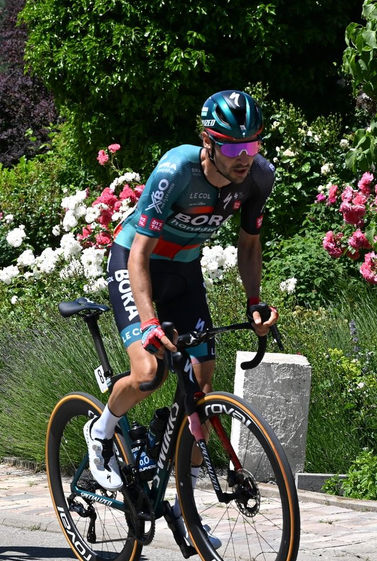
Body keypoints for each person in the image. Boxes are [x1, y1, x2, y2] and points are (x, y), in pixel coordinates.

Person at [85, 89, 279, 546]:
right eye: (233, 147)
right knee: (149, 370)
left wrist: (254, 302)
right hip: (138, 260)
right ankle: (103, 429)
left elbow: (248, 246)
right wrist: (150, 323)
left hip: (186, 269)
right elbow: (139, 254)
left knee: (201, 385)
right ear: (207, 143)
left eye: (252, 145)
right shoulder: (176, 171)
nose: (244, 157)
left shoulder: (259, 177)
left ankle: (186, 508)